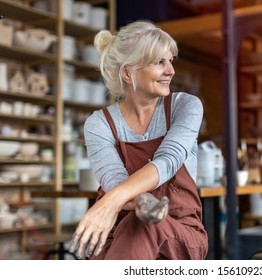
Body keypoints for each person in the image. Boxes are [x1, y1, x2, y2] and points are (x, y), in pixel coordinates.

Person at [68, 20, 208, 260]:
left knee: (142, 223)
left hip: (179, 235)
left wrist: (108, 203)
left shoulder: (185, 106)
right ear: (127, 72)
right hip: (117, 234)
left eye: (170, 60)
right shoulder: (99, 124)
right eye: (159, 62)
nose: (171, 70)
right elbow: (116, 182)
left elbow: (168, 160)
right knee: (137, 220)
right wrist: (142, 201)